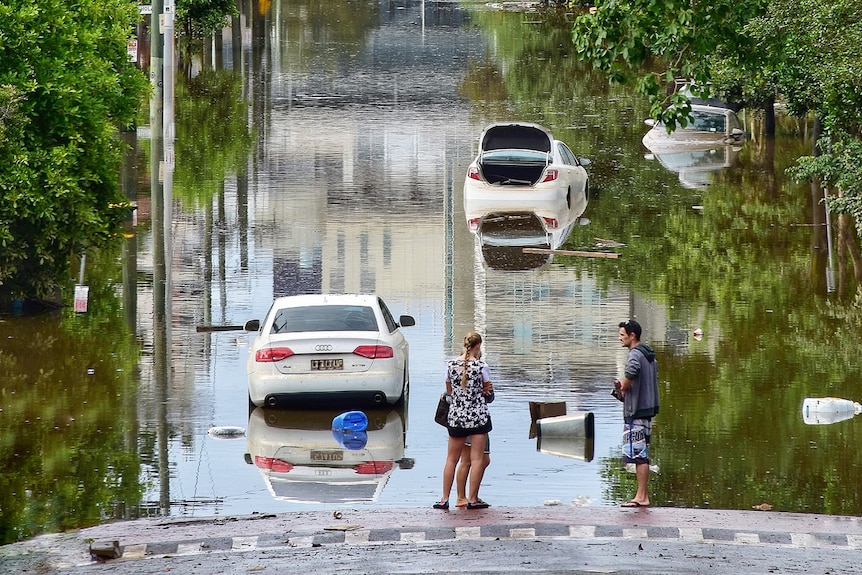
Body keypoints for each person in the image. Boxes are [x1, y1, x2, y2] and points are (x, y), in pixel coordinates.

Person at [434, 332, 493, 510]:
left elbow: (449, 393)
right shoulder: (482, 366)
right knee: (477, 460)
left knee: (451, 460)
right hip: (478, 417)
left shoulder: (450, 365)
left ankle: (444, 499)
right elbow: (488, 392)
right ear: (478, 346)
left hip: (457, 417)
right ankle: (472, 500)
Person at [616, 319, 659, 508]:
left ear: (632, 336)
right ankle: (642, 495)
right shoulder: (649, 354)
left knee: (639, 455)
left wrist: (622, 388)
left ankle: (641, 497)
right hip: (648, 409)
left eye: (622, 335)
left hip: (636, 411)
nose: (620, 338)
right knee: (642, 453)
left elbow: (631, 373)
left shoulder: (634, 354)